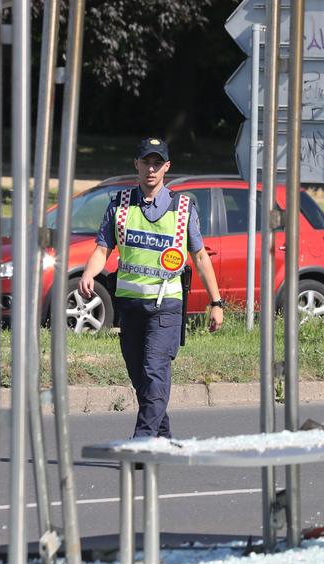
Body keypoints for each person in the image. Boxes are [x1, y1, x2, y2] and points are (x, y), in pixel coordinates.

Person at [78, 136, 225, 439]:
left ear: (166, 168)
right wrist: (89, 273)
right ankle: (165, 440)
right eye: (147, 161)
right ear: (137, 164)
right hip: (129, 308)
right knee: (141, 379)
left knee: (154, 372)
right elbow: (102, 248)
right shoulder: (119, 205)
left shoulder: (182, 208)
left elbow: (199, 256)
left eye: (158, 163)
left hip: (166, 308)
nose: (151, 169)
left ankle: (143, 441)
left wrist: (216, 302)